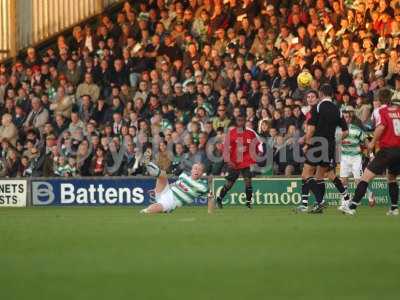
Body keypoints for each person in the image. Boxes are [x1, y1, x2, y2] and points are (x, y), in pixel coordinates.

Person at [340, 96, 400, 216]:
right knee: (391, 178)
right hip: (398, 150)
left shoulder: (383, 111)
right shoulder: (399, 112)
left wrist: (372, 142)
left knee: (365, 178)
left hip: (387, 150)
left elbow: (381, 126)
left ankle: (352, 207)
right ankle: (394, 208)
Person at [301, 85, 349, 213]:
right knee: (320, 176)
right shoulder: (338, 110)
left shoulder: (317, 107)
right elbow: (345, 131)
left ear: (321, 94)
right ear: (332, 95)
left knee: (306, 174)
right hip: (330, 145)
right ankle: (318, 205)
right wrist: (335, 140)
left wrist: (306, 141)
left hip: (317, 143)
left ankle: (320, 201)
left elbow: (311, 129)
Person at [215, 111, 263, 209]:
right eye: (238, 121)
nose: (240, 122)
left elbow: (257, 146)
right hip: (234, 162)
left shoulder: (250, 133)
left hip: (247, 162)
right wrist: (228, 161)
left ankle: (248, 203)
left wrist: (257, 155)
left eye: (242, 120)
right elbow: (225, 148)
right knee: (229, 184)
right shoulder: (232, 133)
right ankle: (219, 199)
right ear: (236, 122)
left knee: (248, 181)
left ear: (245, 121)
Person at [140, 152, 212, 214]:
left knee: (154, 208)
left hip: (172, 201)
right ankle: (147, 163)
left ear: (202, 173)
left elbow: (211, 198)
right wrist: (156, 189)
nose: (197, 171)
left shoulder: (203, 186)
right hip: (167, 191)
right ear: (192, 170)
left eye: (199, 170)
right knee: (163, 175)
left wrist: (210, 212)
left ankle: (144, 211)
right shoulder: (184, 176)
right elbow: (174, 185)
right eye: (195, 169)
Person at [339, 106, 375, 210]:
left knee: (358, 181)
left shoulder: (357, 130)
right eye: (344, 117)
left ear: (350, 118)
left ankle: (370, 194)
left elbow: (367, 142)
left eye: (347, 117)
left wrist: (371, 155)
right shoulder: (339, 130)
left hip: (356, 158)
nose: (345, 119)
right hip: (344, 157)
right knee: (343, 181)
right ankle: (345, 202)